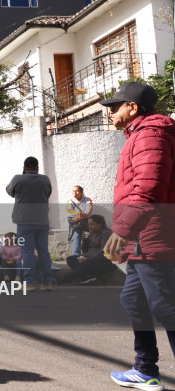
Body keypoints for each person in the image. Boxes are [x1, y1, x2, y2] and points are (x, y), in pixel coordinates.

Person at [97, 82, 175, 391]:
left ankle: (145, 368)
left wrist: (122, 229)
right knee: (133, 298)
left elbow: (148, 188)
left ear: (134, 108)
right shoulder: (142, 134)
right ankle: (145, 370)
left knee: (166, 306)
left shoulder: (151, 134)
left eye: (115, 106)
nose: (110, 111)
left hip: (152, 236)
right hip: (144, 236)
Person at [6, 156, 53, 291]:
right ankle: (47, 282)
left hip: (24, 221)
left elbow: (10, 191)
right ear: (37, 167)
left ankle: (29, 283)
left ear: (24, 167)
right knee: (44, 251)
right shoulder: (45, 179)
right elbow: (48, 193)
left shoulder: (17, 179)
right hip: (42, 220)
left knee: (27, 252)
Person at [59, 215, 116, 284]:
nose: (89, 226)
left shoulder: (105, 233)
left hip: (103, 261)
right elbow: (85, 250)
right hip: (89, 259)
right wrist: (85, 240)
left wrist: (89, 259)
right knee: (70, 259)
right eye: (89, 224)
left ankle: (63, 279)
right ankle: (87, 277)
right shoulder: (91, 233)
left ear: (100, 224)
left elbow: (104, 251)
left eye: (92, 224)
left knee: (87, 265)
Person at [66, 185, 93, 257]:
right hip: (76, 224)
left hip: (86, 223)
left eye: (77, 191)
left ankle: (87, 255)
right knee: (77, 236)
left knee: (86, 238)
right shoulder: (70, 200)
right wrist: (80, 214)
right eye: (73, 191)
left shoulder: (88, 200)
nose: (75, 193)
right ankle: (75, 256)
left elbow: (88, 211)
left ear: (82, 192)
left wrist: (79, 217)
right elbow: (69, 211)